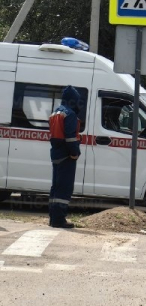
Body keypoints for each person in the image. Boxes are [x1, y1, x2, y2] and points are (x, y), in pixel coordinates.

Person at [48, 86, 82, 228]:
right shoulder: (70, 114)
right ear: (73, 100)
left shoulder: (55, 113)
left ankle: (53, 218)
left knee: (56, 187)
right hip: (66, 155)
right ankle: (59, 219)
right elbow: (70, 138)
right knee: (64, 188)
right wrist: (75, 153)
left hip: (56, 154)